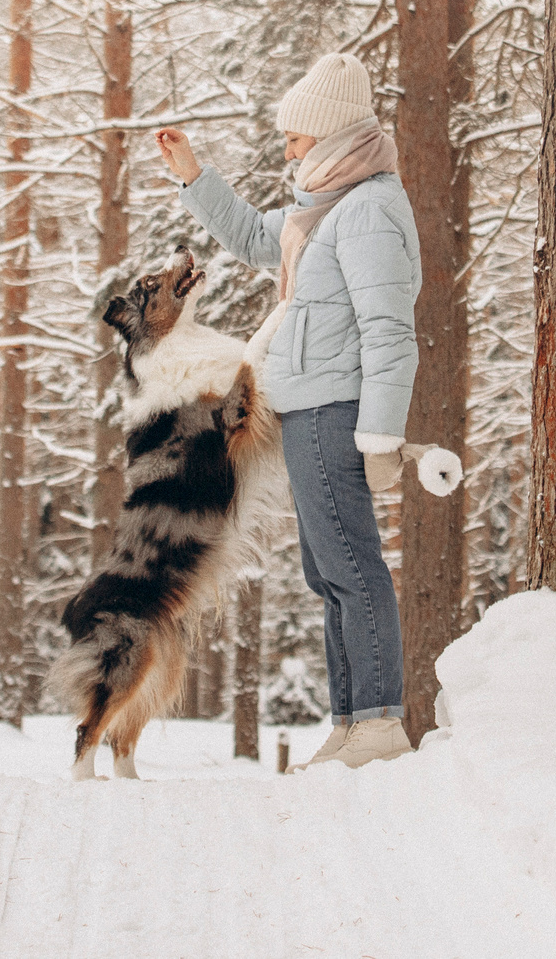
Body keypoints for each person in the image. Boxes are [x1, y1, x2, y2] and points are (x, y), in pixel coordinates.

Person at [152, 51, 421, 770]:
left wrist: (382, 436)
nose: (289, 149)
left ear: (331, 135)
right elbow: (250, 236)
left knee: (352, 564)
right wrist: (193, 176)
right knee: (326, 569)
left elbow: (390, 331)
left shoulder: (365, 213)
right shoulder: (324, 211)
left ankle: (380, 721)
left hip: (338, 409)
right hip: (307, 405)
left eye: (298, 136)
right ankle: (352, 719)